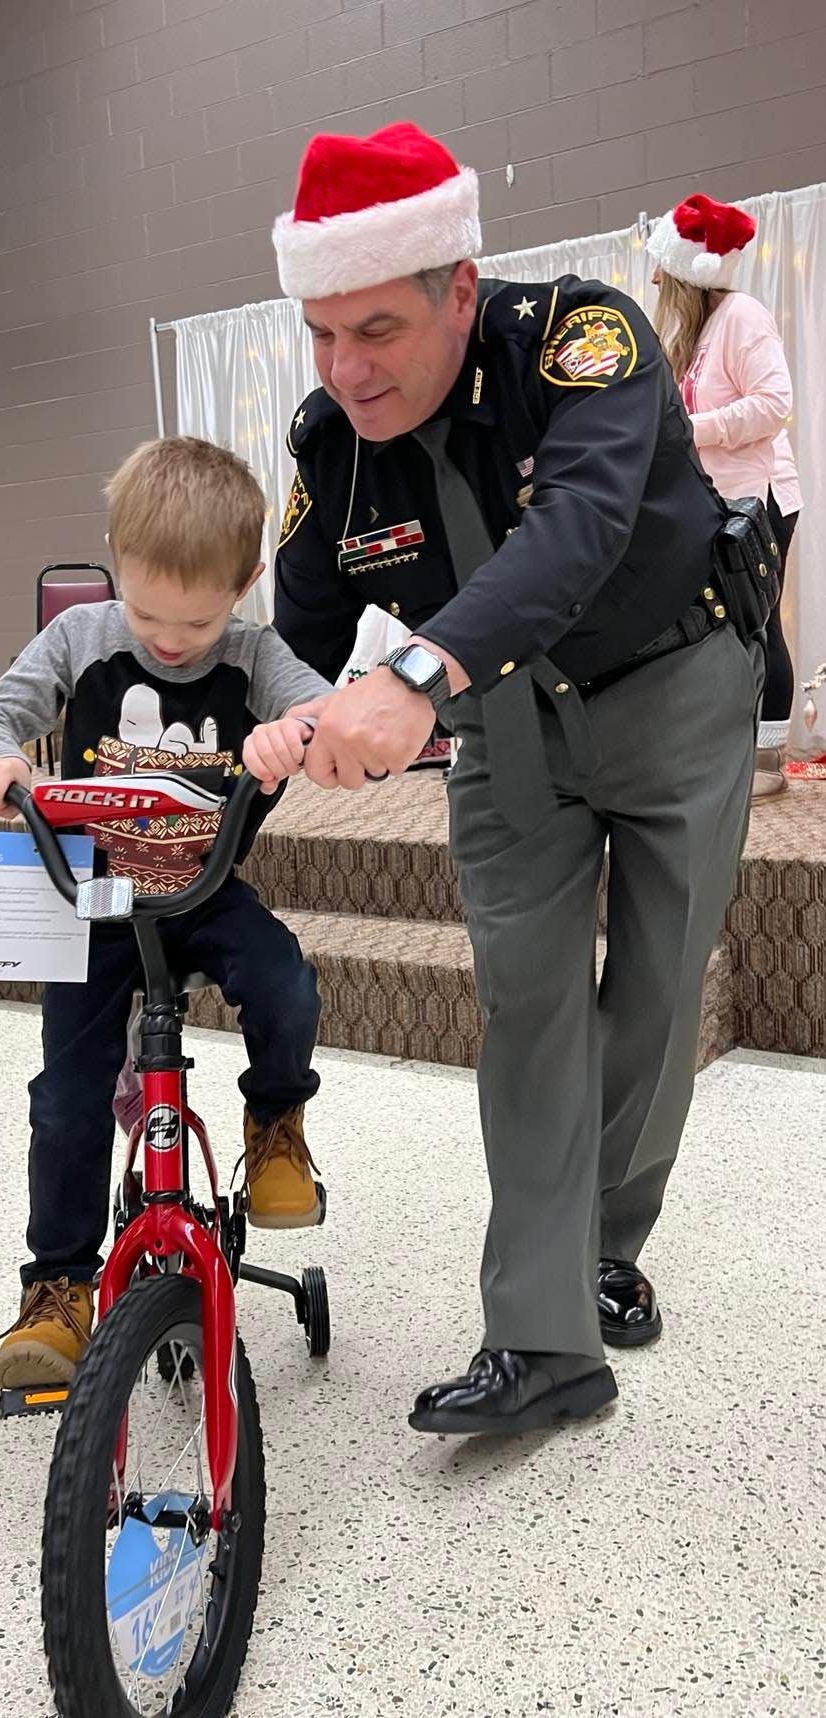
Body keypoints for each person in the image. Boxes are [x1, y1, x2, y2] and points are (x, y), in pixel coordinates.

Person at [260, 123, 761, 1435]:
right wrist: (254, 713)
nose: (345, 368)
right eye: (320, 332)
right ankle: (544, 1343)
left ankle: (607, 1233)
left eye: (374, 328)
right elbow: (298, 632)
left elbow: (579, 529)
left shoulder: (579, 339)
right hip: (503, 729)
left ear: (458, 292)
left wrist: (413, 677)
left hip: (672, 679)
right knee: (528, 1006)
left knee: (655, 991)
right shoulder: (334, 446)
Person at [0, 436, 333, 1390]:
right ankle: (57, 1288)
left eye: (197, 620)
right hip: (94, 901)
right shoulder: (79, 638)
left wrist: (298, 732)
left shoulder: (256, 655)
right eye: (146, 611)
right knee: (65, 1100)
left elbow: (326, 710)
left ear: (245, 585)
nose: (168, 640)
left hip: (202, 894)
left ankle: (276, 1124)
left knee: (285, 982)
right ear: (114, 563)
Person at [649, 193, 802, 799]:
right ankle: (730, 751)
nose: (653, 276)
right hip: (714, 503)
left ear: (686, 273)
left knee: (757, 625)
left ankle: (765, 762)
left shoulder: (741, 316)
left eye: (662, 265)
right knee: (725, 630)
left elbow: (772, 405)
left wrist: (691, 429)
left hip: (757, 500)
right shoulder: (696, 331)